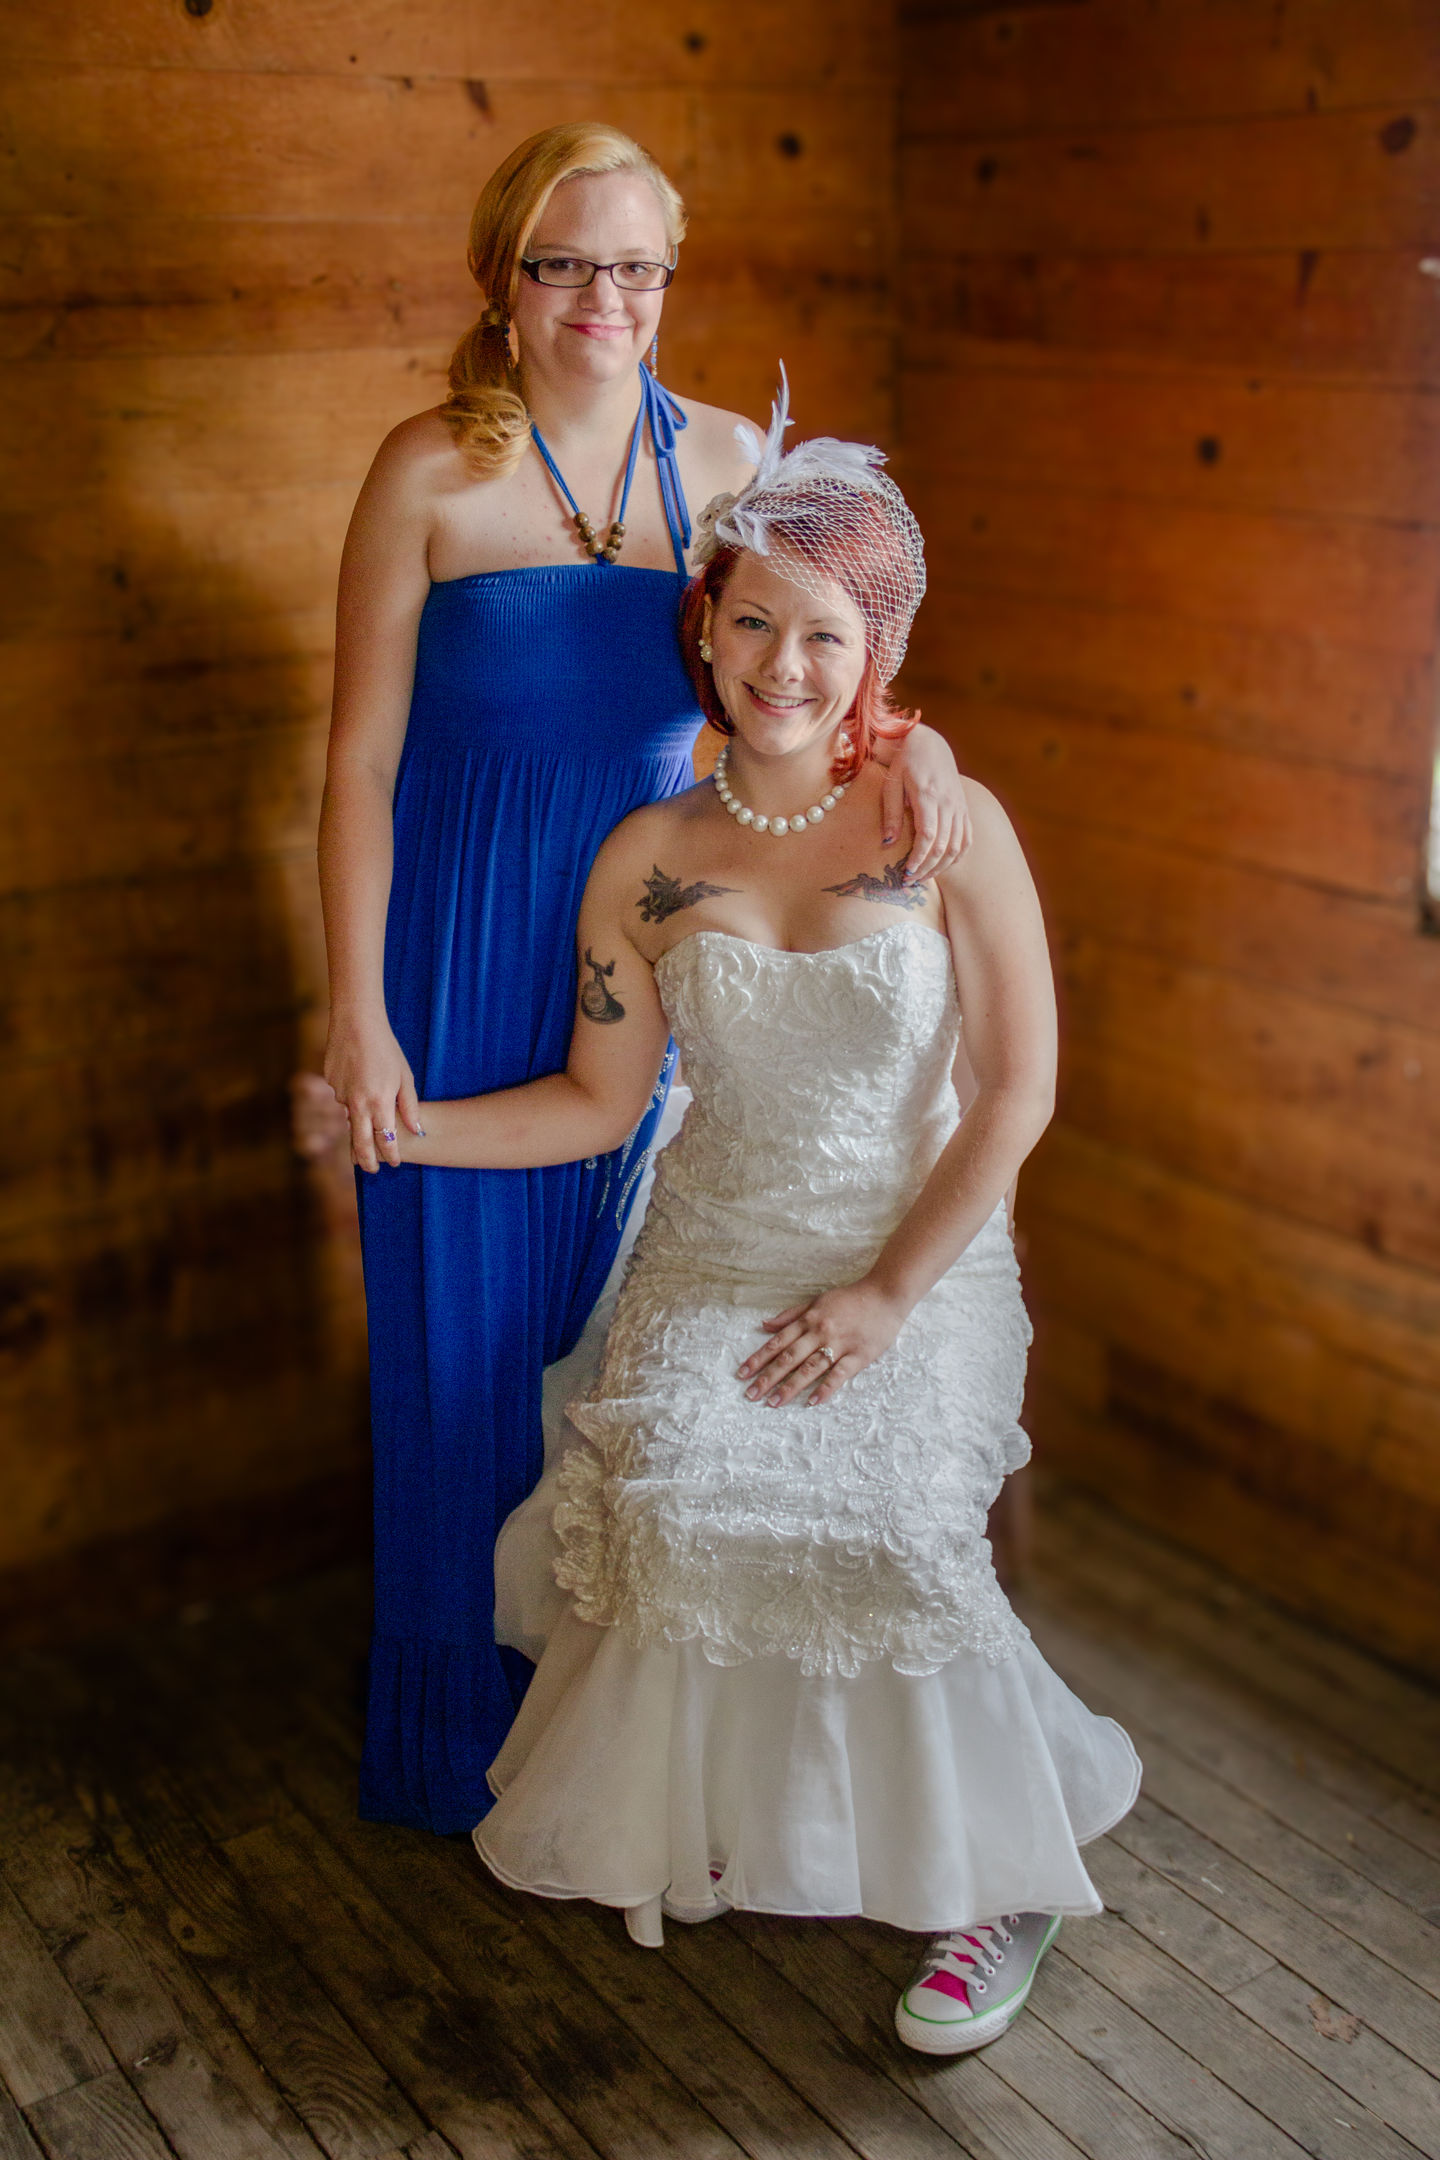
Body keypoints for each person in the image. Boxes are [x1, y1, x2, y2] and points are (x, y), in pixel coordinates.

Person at [387, 399, 1141, 2053]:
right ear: (705, 629)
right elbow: (600, 1103)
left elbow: (1019, 1092)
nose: (782, 666)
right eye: (751, 625)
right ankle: (745, 1817)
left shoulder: (945, 822)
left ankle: (1000, 1880)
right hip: (715, 1250)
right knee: (678, 1498)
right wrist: (404, 1126)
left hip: (916, 1251)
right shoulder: (649, 857)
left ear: (875, 652)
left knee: (888, 1528)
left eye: (824, 635)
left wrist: (886, 1296)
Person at [317, 123, 975, 1833]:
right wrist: (359, 1013)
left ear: (670, 279)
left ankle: (600, 1741)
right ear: (503, 280)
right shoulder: (428, 470)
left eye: (634, 264)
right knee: (461, 1351)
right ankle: (452, 1738)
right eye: (563, 262)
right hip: (455, 945)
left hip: (670, 938)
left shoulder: (738, 461)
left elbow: (825, 657)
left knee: (604, 1342)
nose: (601, 296)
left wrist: (922, 749)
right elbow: (359, 765)